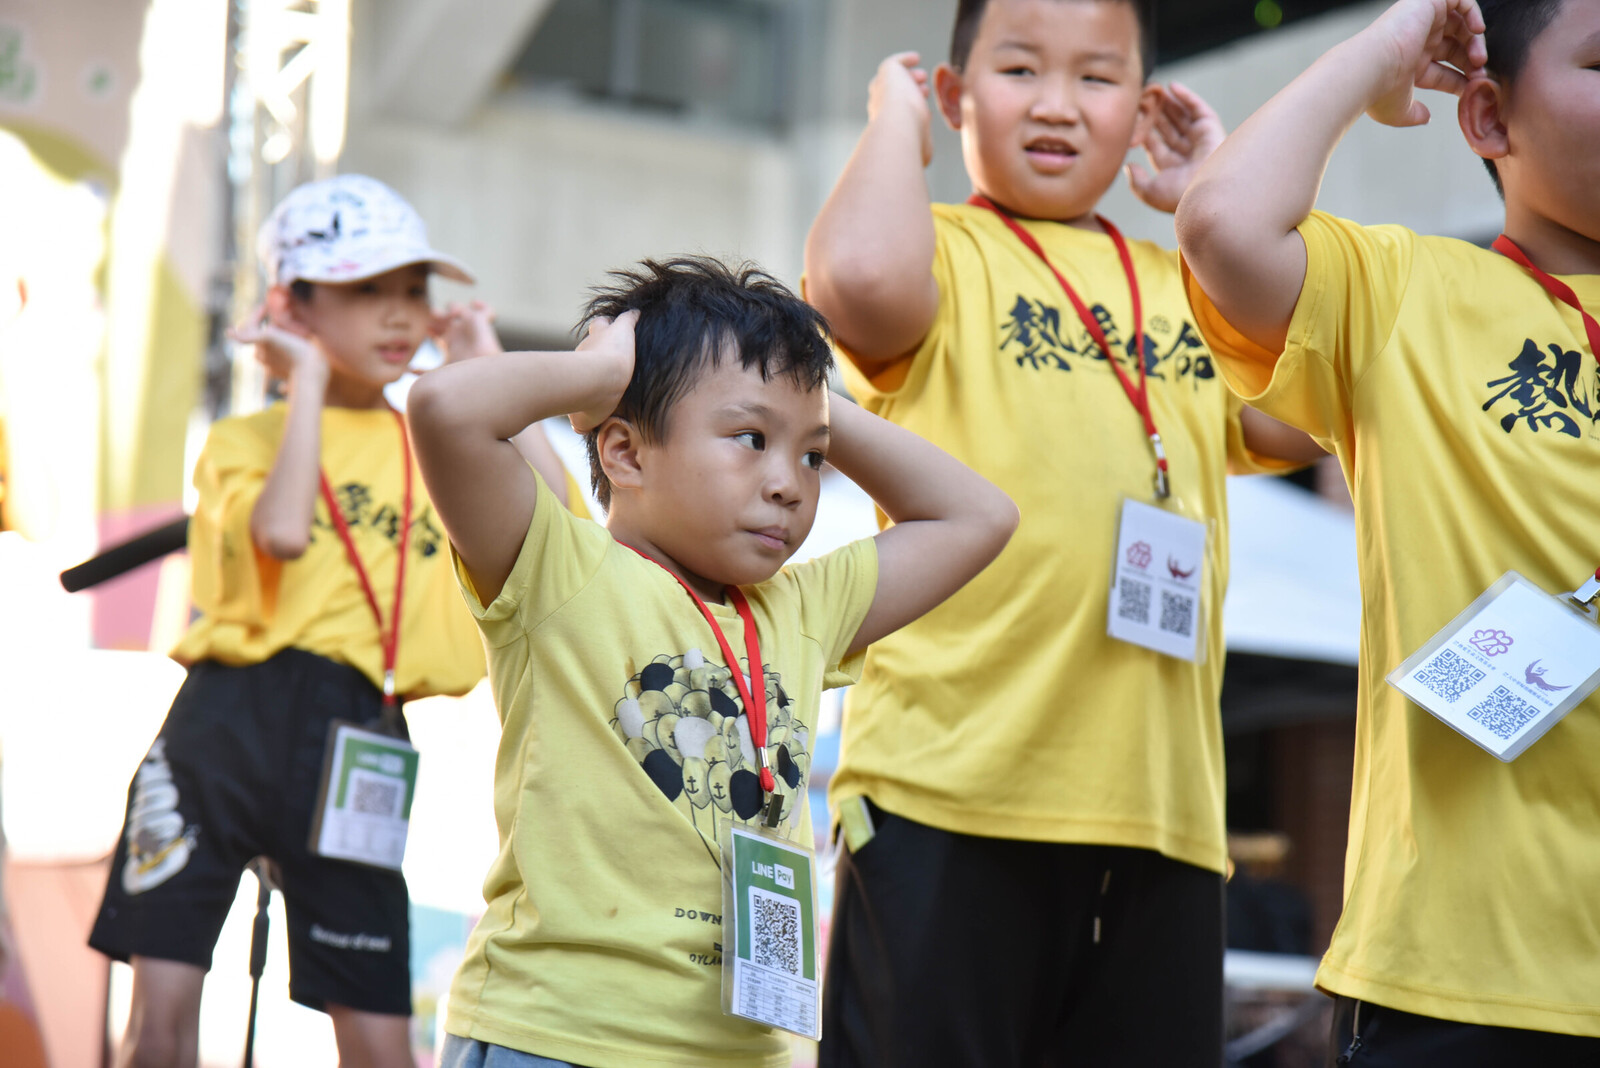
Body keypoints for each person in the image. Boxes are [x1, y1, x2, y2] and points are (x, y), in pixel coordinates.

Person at [803, 1, 1324, 1064]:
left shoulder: (1186, 286)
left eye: (1095, 77)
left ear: (1140, 107)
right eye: (1018, 70)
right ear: (955, 96)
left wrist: (1217, 209)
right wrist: (893, 123)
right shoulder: (943, 252)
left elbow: (1303, 410)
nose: (1056, 104)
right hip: (949, 789)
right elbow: (856, 284)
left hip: (1159, 817)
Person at [404, 256, 1017, 1068]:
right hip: (558, 1035)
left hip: (742, 1052)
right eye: (750, 439)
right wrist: (602, 376)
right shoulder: (559, 570)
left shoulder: (803, 610)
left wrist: (808, 404)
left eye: (811, 458)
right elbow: (444, 408)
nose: (789, 485)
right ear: (624, 454)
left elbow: (980, 516)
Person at [1177, 0, 1600, 1062]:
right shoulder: (1406, 292)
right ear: (1490, 116)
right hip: (1462, 977)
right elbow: (1225, 222)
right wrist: (1382, 48)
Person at [88, 173, 574, 1068]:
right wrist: (306, 381)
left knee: (381, 1036)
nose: (399, 314)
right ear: (292, 305)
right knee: (160, 1022)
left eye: (413, 290)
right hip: (223, 728)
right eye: (364, 289)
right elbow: (281, 530)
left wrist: (488, 366)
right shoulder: (244, 442)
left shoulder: (437, 439)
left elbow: (566, 530)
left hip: (365, 732)